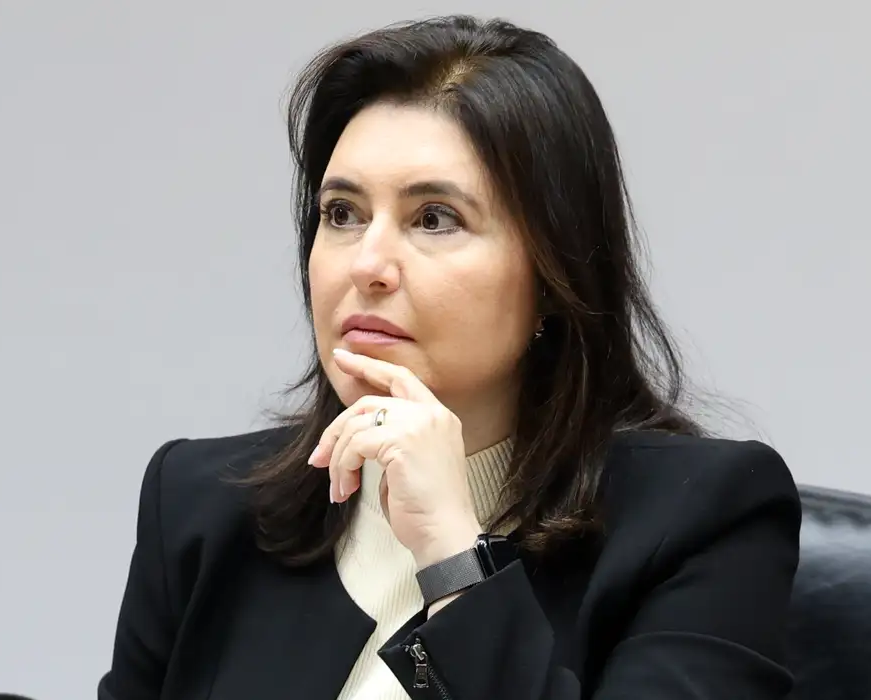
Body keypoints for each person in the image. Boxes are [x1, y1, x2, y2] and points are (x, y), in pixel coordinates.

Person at [98, 14, 801, 700]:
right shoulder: (201, 506)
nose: (367, 264)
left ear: (554, 273)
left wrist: (454, 557)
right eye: (342, 213)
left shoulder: (703, 522)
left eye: (434, 219)